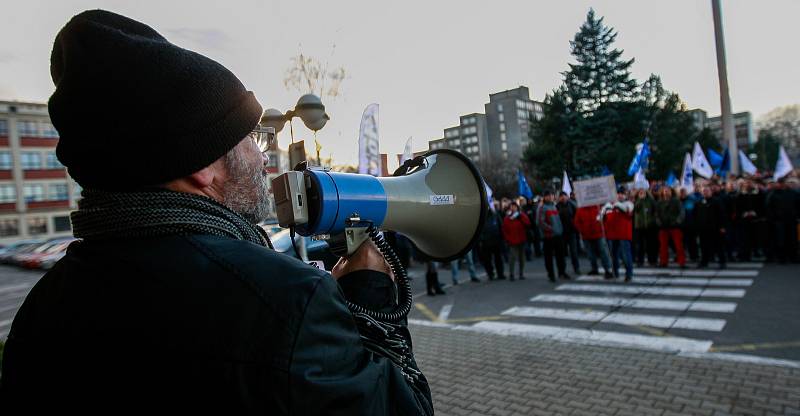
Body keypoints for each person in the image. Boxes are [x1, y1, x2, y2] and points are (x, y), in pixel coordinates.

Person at [0, 11, 434, 415]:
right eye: (249, 139)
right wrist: (370, 296)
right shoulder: (285, 302)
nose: (261, 157)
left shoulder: (41, 311)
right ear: (201, 165)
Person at [601, 186, 635, 282]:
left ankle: (629, 274)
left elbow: (626, 210)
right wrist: (603, 212)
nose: (620, 195)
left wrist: (614, 204)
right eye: (618, 193)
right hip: (612, 235)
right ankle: (614, 272)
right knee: (613, 256)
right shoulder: (609, 205)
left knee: (625, 255)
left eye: (622, 194)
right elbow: (601, 219)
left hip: (624, 235)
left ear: (625, 195)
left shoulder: (629, 203)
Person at [536, 190, 569, 281]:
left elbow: (557, 220)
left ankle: (562, 272)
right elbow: (540, 222)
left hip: (558, 235)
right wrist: (550, 228)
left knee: (560, 255)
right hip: (548, 236)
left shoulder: (554, 206)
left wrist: (559, 229)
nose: (550, 197)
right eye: (548, 196)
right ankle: (551, 275)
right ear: (545, 197)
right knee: (549, 257)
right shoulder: (542, 208)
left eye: (551, 195)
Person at [574, 204, 614, 279]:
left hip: (598, 234)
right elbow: (576, 222)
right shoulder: (580, 209)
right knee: (591, 254)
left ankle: (608, 270)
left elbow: (604, 219)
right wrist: (582, 230)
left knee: (603, 252)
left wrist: (602, 228)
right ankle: (594, 268)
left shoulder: (598, 208)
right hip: (586, 235)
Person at [694, 185, 727, 269]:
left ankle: (722, 262)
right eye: (704, 191)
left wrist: (722, 226)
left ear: (711, 192)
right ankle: (704, 262)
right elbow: (696, 216)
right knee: (704, 246)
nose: (705, 192)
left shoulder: (717, 201)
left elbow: (722, 215)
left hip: (715, 228)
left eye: (707, 191)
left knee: (719, 246)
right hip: (703, 229)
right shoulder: (699, 202)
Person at [655, 186, 686, 268]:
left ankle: (681, 262)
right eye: (664, 191)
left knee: (679, 245)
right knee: (663, 247)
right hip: (663, 227)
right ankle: (663, 262)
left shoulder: (676, 201)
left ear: (671, 192)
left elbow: (682, 212)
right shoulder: (659, 202)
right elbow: (656, 214)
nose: (666, 192)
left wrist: (678, 221)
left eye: (668, 191)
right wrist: (659, 222)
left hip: (674, 226)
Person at [502, 201, 530, 280]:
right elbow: (504, 229)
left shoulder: (521, 215)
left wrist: (521, 217)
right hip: (512, 241)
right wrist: (507, 239)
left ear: (517, 207)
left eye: (514, 206)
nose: (513, 208)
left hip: (521, 240)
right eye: (512, 206)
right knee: (512, 258)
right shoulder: (507, 218)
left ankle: (521, 273)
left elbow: (528, 223)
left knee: (522, 258)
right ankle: (511, 274)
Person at [479, 206, 506, 280]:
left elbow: (501, 226)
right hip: (486, 243)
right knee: (487, 260)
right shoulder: (480, 217)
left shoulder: (495, 215)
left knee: (498, 258)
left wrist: (502, 238)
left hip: (496, 241)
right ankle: (490, 274)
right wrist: (482, 239)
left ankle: (500, 273)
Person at [557, 191, 581, 275]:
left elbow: (577, 216)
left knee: (574, 252)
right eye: (561, 196)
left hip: (571, 232)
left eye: (564, 196)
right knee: (562, 253)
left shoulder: (572, 205)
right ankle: (562, 270)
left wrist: (576, 227)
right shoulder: (556, 207)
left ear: (567, 197)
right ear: (559, 198)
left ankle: (576, 268)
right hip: (561, 233)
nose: (563, 198)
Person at [633, 188, 658, 267]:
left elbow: (655, 211)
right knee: (640, 245)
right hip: (639, 226)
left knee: (651, 244)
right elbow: (635, 209)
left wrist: (653, 220)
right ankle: (640, 261)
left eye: (643, 192)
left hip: (650, 226)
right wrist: (640, 200)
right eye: (640, 192)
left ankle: (652, 260)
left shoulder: (651, 201)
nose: (642, 193)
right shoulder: (636, 201)